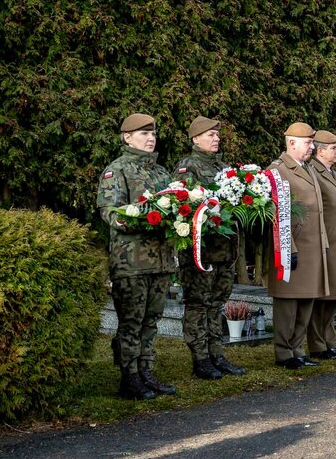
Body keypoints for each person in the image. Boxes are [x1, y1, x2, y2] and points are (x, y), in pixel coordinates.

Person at [97, 113, 178, 400]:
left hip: (160, 260)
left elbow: (176, 205)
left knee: (151, 320)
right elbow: (109, 212)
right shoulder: (116, 170)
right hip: (131, 261)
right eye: (144, 134)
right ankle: (129, 377)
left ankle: (146, 371)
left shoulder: (161, 173)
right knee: (131, 321)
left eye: (153, 133)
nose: (150, 138)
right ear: (127, 138)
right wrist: (141, 218)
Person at [173, 116, 246, 379]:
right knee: (198, 304)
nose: (217, 139)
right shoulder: (187, 167)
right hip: (200, 252)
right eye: (210, 135)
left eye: (217, 135)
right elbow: (185, 204)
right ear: (196, 139)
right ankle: (200, 358)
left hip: (224, 250)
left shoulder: (225, 168)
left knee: (216, 303)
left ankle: (217, 354)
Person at [266, 122, 328, 369]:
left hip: (312, 246)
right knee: (288, 301)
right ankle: (283, 352)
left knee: (306, 299)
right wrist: (288, 247)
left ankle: (297, 349)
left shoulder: (308, 168)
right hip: (290, 247)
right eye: (308, 143)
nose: (312, 147)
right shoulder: (277, 170)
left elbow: (318, 211)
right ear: (291, 143)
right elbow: (276, 213)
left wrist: (323, 242)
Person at [306, 130, 336, 360]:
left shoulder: (331, 172)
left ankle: (329, 341)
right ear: (320, 150)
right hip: (326, 244)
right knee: (321, 298)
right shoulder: (314, 171)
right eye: (333, 148)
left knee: (333, 295)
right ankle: (318, 345)